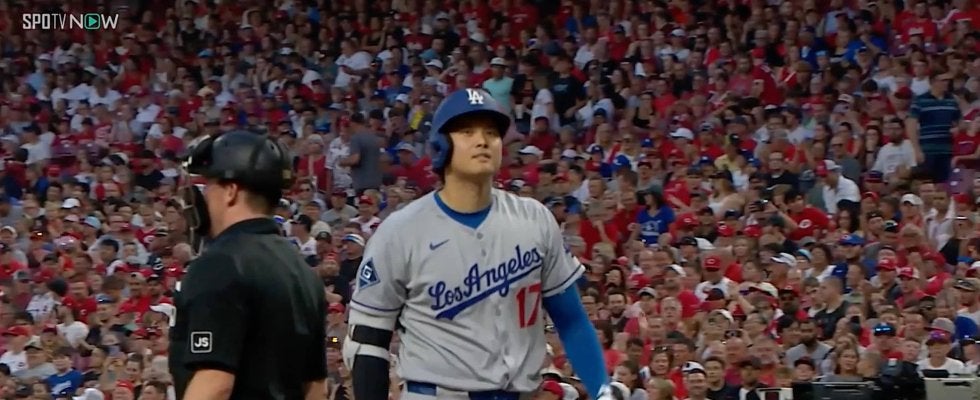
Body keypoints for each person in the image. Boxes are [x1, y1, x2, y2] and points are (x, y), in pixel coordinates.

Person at [344, 88, 610, 399]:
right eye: (467, 132)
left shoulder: (535, 218)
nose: (483, 141)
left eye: (491, 132)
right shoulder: (400, 231)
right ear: (441, 144)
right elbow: (368, 341)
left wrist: (602, 391)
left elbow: (572, 320)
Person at [168, 130, 327, 399]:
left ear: (230, 191)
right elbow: (315, 387)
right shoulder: (301, 270)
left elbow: (214, 383)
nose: (204, 195)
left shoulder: (219, 263)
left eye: (209, 185)